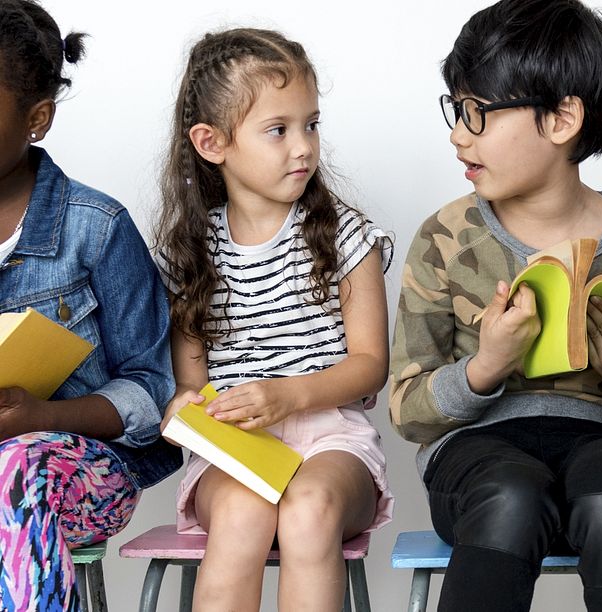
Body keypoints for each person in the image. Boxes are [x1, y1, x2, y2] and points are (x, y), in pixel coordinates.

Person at [389, 1, 602, 610]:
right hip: (476, 460)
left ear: (562, 119)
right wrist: (486, 366)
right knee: (512, 494)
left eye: (477, 113)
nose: (458, 134)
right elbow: (407, 411)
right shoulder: (445, 238)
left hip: (599, 447)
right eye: (457, 110)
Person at [155, 28, 394, 611]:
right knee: (243, 512)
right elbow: (191, 383)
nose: (304, 147)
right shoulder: (193, 251)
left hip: (332, 440)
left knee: (307, 512)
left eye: (311, 124)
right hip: (236, 448)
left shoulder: (344, 236)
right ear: (212, 143)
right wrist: (183, 404)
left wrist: (288, 397)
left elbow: (369, 365)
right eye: (278, 130)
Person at [0, 1, 181, 610]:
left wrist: (40, 417)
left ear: (38, 119)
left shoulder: (96, 229)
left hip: (80, 472)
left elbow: (153, 394)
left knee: (14, 470)